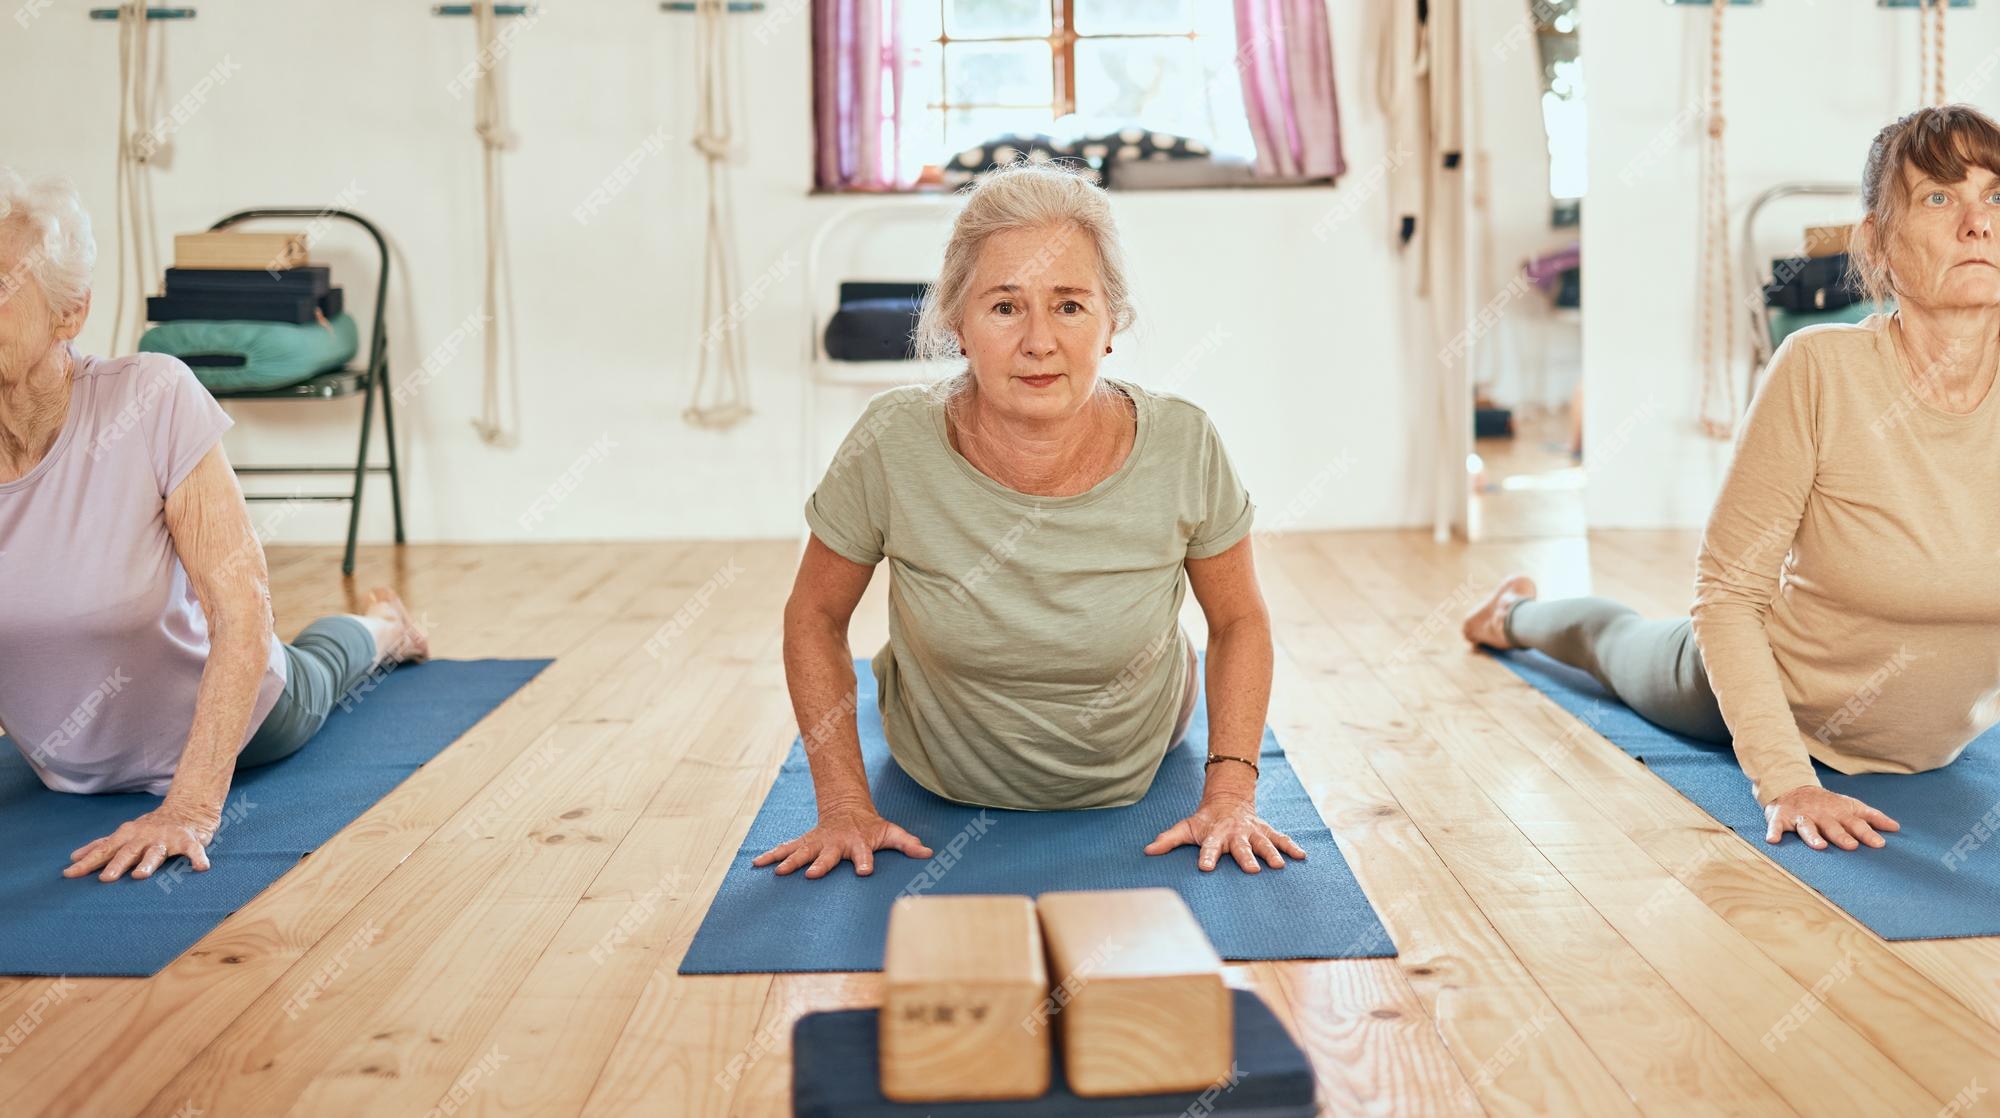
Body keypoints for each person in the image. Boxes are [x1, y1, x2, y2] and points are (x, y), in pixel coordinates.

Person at [1462, 105, 2000, 854]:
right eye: (1940, 197)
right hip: (1772, 694)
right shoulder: (1820, 370)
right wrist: (1788, 780)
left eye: (1996, 195)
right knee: (1611, 641)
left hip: (1939, 744)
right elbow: (1727, 591)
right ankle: (1512, 615)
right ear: (1876, 241)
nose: (1978, 222)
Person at [756, 162, 1307, 879]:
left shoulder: (1184, 442)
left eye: (1071, 306)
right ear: (958, 324)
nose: (1039, 341)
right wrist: (841, 804)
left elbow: (1239, 621)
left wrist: (1231, 793)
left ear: (1111, 324)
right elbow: (814, 615)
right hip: (935, 772)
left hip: (1139, 757)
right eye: (1006, 306)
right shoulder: (890, 441)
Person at [0, 167, 428, 883]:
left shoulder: (152, 398)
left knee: (315, 671)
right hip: (61, 766)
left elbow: (242, 610)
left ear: (70, 312)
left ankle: (386, 630)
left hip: (238, 727)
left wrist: (190, 807)